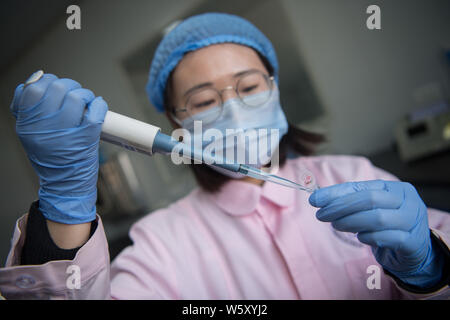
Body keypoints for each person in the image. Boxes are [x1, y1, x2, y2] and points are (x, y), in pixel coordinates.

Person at [0, 13, 449, 300]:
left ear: (274, 89)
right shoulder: (161, 244)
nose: (233, 108)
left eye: (250, 87)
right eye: (202, 100)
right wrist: (64, 206)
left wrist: (429, 268)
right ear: (178, 126)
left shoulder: (353, 174)